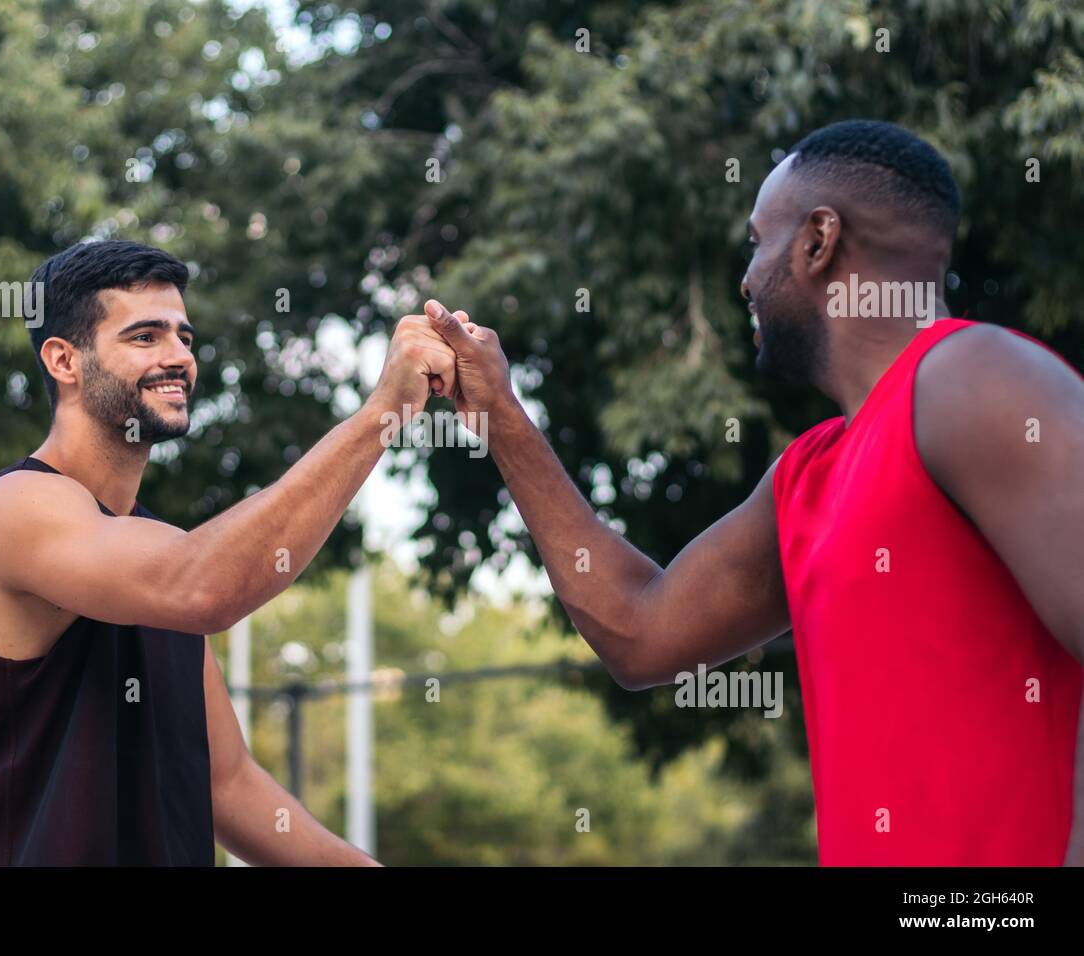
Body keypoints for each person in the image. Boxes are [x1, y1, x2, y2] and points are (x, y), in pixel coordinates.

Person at [425, 119, 1084, 865]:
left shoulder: (975, 378)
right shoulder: (808, 476)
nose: (745, 278)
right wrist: (501, 416)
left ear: (817, 241)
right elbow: (640, 634)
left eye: (755, 242)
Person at [0, 240, 457, 865]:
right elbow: (204, 587)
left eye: (185, 338)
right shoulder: (16, 509)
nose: (179, 358)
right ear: (64, 360)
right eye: (145, 337)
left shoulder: (150, 556)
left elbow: (227, 787)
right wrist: (384, 412)